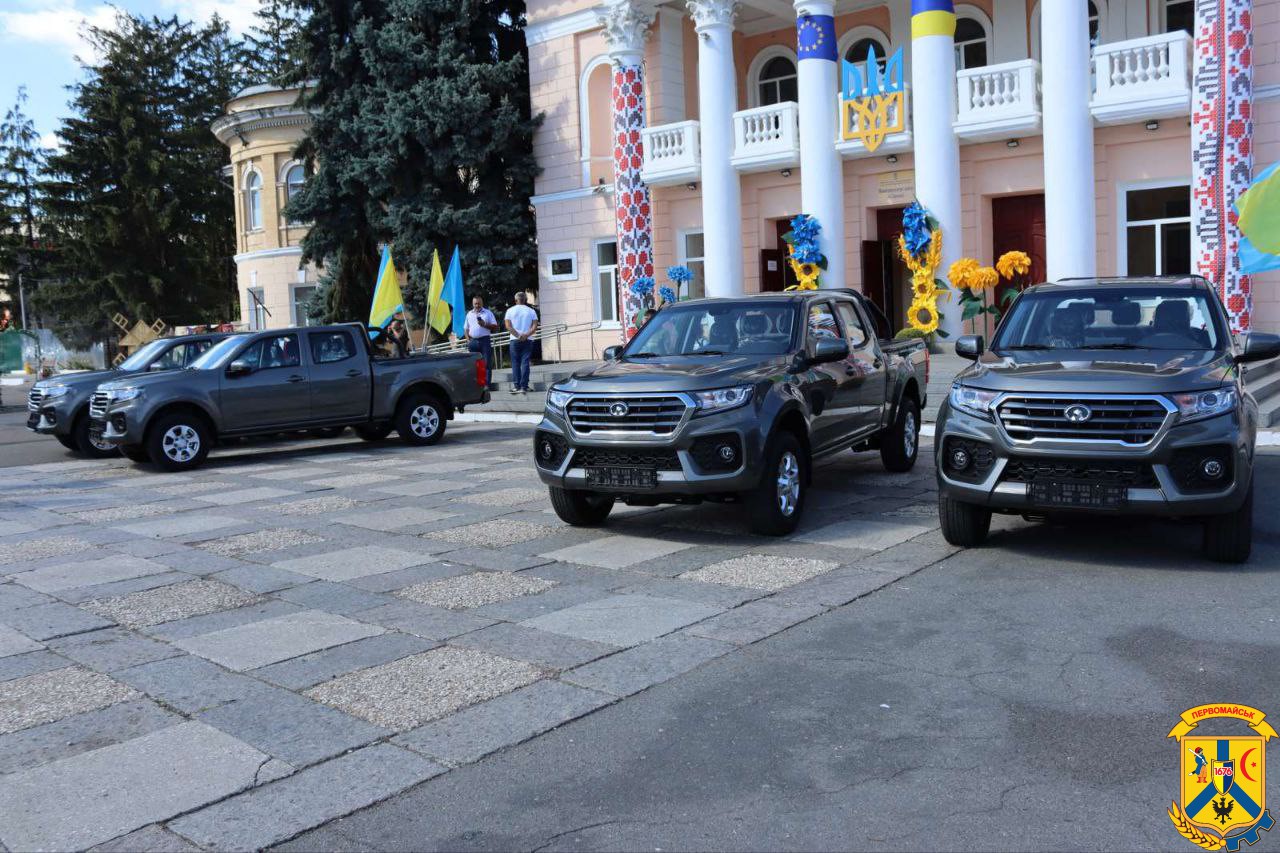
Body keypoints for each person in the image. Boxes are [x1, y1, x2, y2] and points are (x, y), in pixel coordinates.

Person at [505, 291, 539, 394]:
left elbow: (508, 326)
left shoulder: (510, 310)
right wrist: (526, 335)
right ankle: (524, 386)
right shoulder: (531, 311)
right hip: (527, 340)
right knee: (525, 362)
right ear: (525, 300)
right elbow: (534, 326)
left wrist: (518, 335)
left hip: (514, 340)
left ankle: (517, 386)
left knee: (515, 363)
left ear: (515, 300)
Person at [464, 296, 499, 372]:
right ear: (473, 304)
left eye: (479, 303)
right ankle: (477, 380)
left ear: (482, 303)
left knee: (486, 363)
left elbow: (495, 326)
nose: (477, 305)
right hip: (473, 341)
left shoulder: (488, 313)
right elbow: (466, 328)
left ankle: (486, 380)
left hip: (485, 341)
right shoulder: (469, 314)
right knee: (474, 364)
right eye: (475, 304)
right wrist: (468, 340)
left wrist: (484, 324)